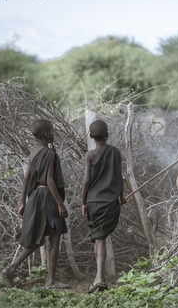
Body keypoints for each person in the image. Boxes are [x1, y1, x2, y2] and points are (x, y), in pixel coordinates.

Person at [1, 119, 70, 289]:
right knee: (55, 238)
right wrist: (60, 204)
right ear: (47, 135)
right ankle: (50, 281)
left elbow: (26, 179)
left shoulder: (33, 153)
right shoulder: (49, 153)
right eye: (52, 131)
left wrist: (23, 202)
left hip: (35, 197)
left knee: (38, 239)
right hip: (47, 198)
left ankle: (11, 269)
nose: (54, 133)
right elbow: (50, 180)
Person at [81, 119, 125, 293]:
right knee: (99, 238)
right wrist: (121, 196)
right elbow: (119, 177)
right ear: (107, 135)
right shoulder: (115, 152)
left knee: (98, 238)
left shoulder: (89, 155)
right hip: (109, 203)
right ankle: (100, 277)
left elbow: (86, 180)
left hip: (93, 202)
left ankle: (99, 278)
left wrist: (83, 202)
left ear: (91, 136)